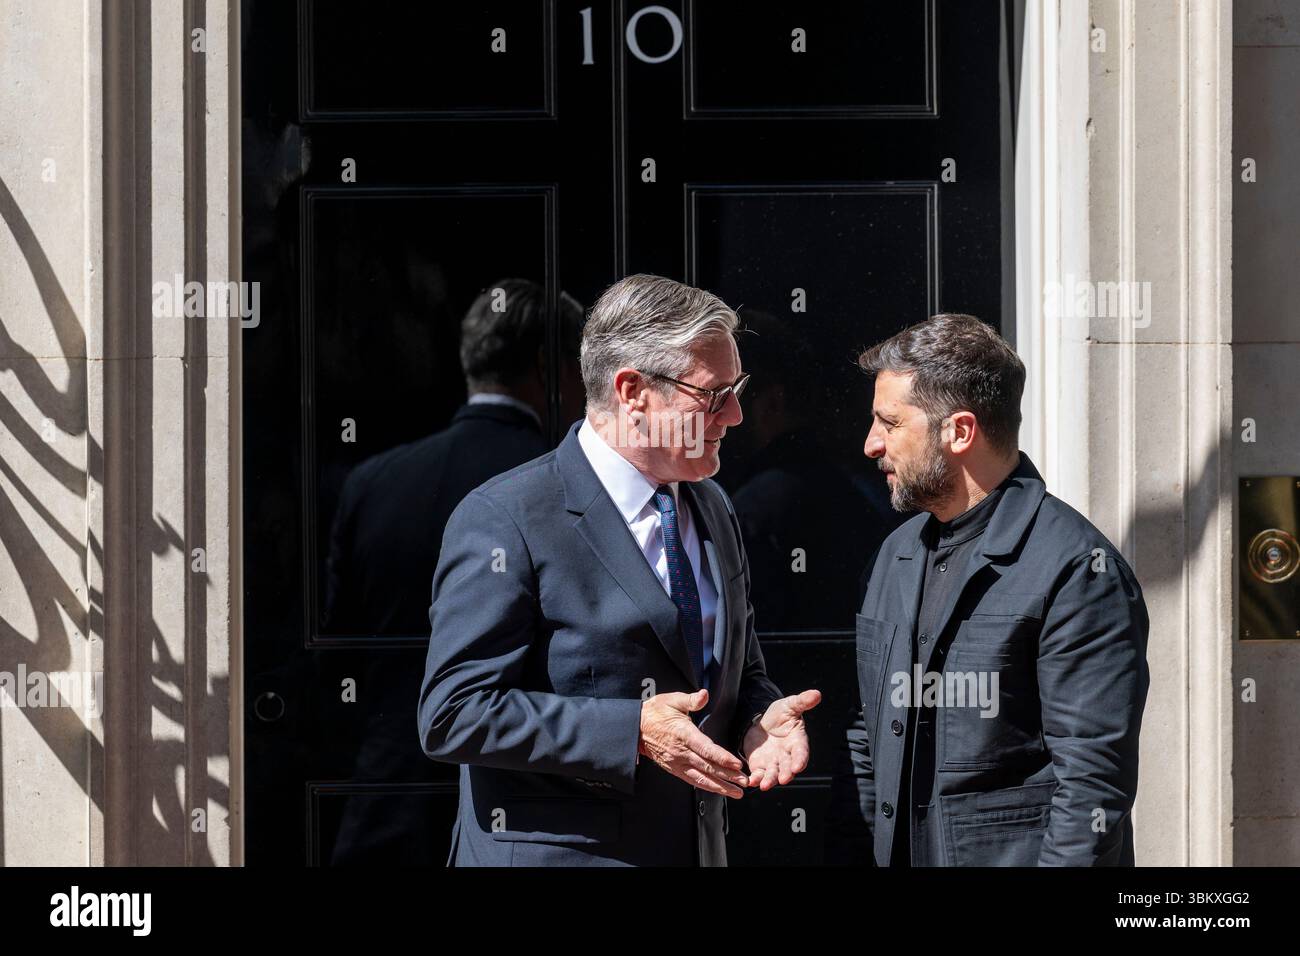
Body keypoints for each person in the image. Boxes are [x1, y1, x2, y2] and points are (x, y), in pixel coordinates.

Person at [418, 274, 820, 866]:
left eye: (740, 389)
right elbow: (455, 712)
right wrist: (631, 729)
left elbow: (731, 661)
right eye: (713, 395)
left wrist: (758, 713)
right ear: (632, 390)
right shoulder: (506, 517)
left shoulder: (711, 504)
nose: (735, 414)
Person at [827, 313, 1149, 866]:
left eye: (889, 422)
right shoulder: (894, 556)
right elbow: (868, 729)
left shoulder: (1076, 569)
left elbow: (1093, 789)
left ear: (958, 431)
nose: (870, 445)